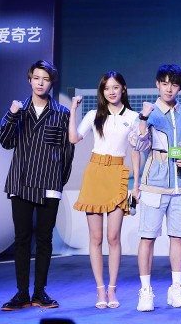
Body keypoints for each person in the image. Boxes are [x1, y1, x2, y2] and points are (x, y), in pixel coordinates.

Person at [0, 60, 75, 311]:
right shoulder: (19, 110)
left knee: (44, 239)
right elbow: (5, 142)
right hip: (20, 182)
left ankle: (39, 292)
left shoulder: (62, 113)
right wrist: (12, 113)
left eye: (45, 79)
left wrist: (59, 181)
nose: (40, 83)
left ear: (51, 82)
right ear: (30, 80)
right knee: (22, 239)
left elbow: (67, 152)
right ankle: (21, 293)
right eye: (36, 78)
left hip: (49, 183)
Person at [68, 71, 140, 309]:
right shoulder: (93, 115)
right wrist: (73, 110)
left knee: (113, 237)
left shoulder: (133, 117)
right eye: (107, 88)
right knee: (96, 238)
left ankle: (112, 289)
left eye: (115, 87)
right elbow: (73, 138)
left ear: (123, 89)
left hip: (118, 174)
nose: (111, 91)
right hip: (95, 173)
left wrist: (136, 184)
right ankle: (100, 289)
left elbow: (136, 151)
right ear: (102, 91)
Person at [128, 64, 181, 312]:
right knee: (147, 238)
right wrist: (143, 119)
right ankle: (145, 291)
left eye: (174, 84)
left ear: (180, 87)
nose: (169, 88)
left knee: (177, 237)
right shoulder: (148, 113)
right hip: (154, 185)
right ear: (157, 84)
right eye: (165, 83)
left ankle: (176, 288)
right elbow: (137, 145)